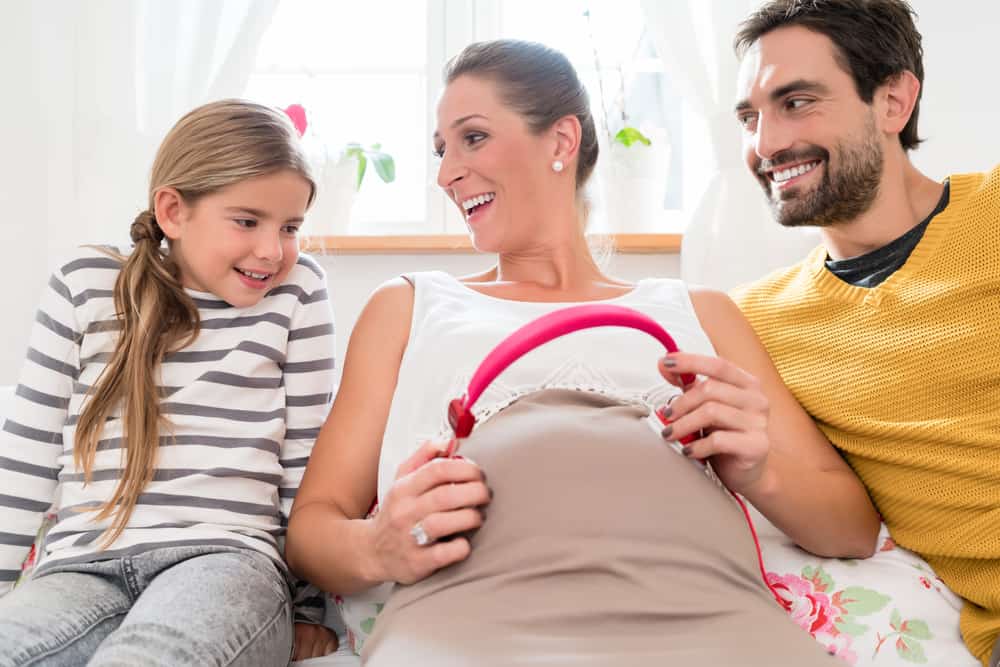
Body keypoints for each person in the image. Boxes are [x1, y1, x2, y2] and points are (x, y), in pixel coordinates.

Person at [286, 40, 878, 666]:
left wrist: (760, 472)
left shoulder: (700, 312)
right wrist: (377, 547)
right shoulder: (409, 306)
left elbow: (853, 527)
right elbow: (312, 529)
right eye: (441, 150)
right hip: (466, 626)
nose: (445, 173)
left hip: (710, 619)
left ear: (561, 142)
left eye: (473, 138)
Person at [0, 100, 339, 665]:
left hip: (225, 559)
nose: (272, 250)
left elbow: (308, 460)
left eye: (290, 227)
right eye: (247, 221)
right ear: (173, 211)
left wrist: (308, 610)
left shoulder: (297, 291)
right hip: (82, 563)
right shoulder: (84, 284)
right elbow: (25, 456)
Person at [728, 1, 1000, 665]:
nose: (765, 144)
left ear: (893, 101)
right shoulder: (754, 321)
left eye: (796, 101)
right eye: (750, 116)